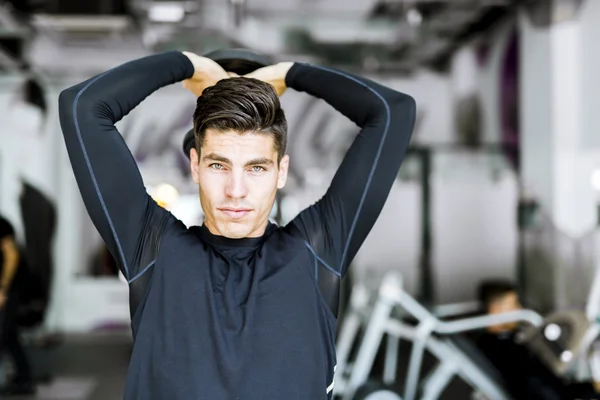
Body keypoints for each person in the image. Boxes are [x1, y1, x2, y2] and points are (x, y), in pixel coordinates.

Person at [58, 50, 416, 399]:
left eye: (256, 168)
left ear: (281, 171)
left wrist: (291, 73)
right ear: (195, 166)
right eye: (219, 165)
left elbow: (392, 112)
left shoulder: (315, 251)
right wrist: (186, 64)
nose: (236, 190)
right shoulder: (153, 249)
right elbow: (81, 107)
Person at [477, 280, 600, 400]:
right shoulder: (509, 353)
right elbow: (550, 393)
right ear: (495, 309)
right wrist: (591, 389)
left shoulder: (492, 344)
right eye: (514, 304)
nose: (519, 308)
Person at [0, 216, 34, 396]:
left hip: (12, 290)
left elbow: (11, 256)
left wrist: (3, 289)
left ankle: (25, 378)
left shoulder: (2, 224)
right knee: (9, 335)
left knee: (6, 334)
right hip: (8, 290)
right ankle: (23, 377)